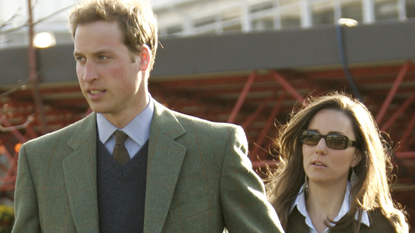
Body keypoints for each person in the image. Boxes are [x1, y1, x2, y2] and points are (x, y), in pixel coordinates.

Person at [12, 0, 284, 232]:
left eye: (102, 57)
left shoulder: (215, 149)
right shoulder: (40, 160)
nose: (87, 75)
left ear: (142, 58)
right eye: (80, 58)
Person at [266, 92, 409, 233]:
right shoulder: (269, 217)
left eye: (335, 140)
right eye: (311, 137)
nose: (320, 148)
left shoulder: (384, 227)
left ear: (357, 156)